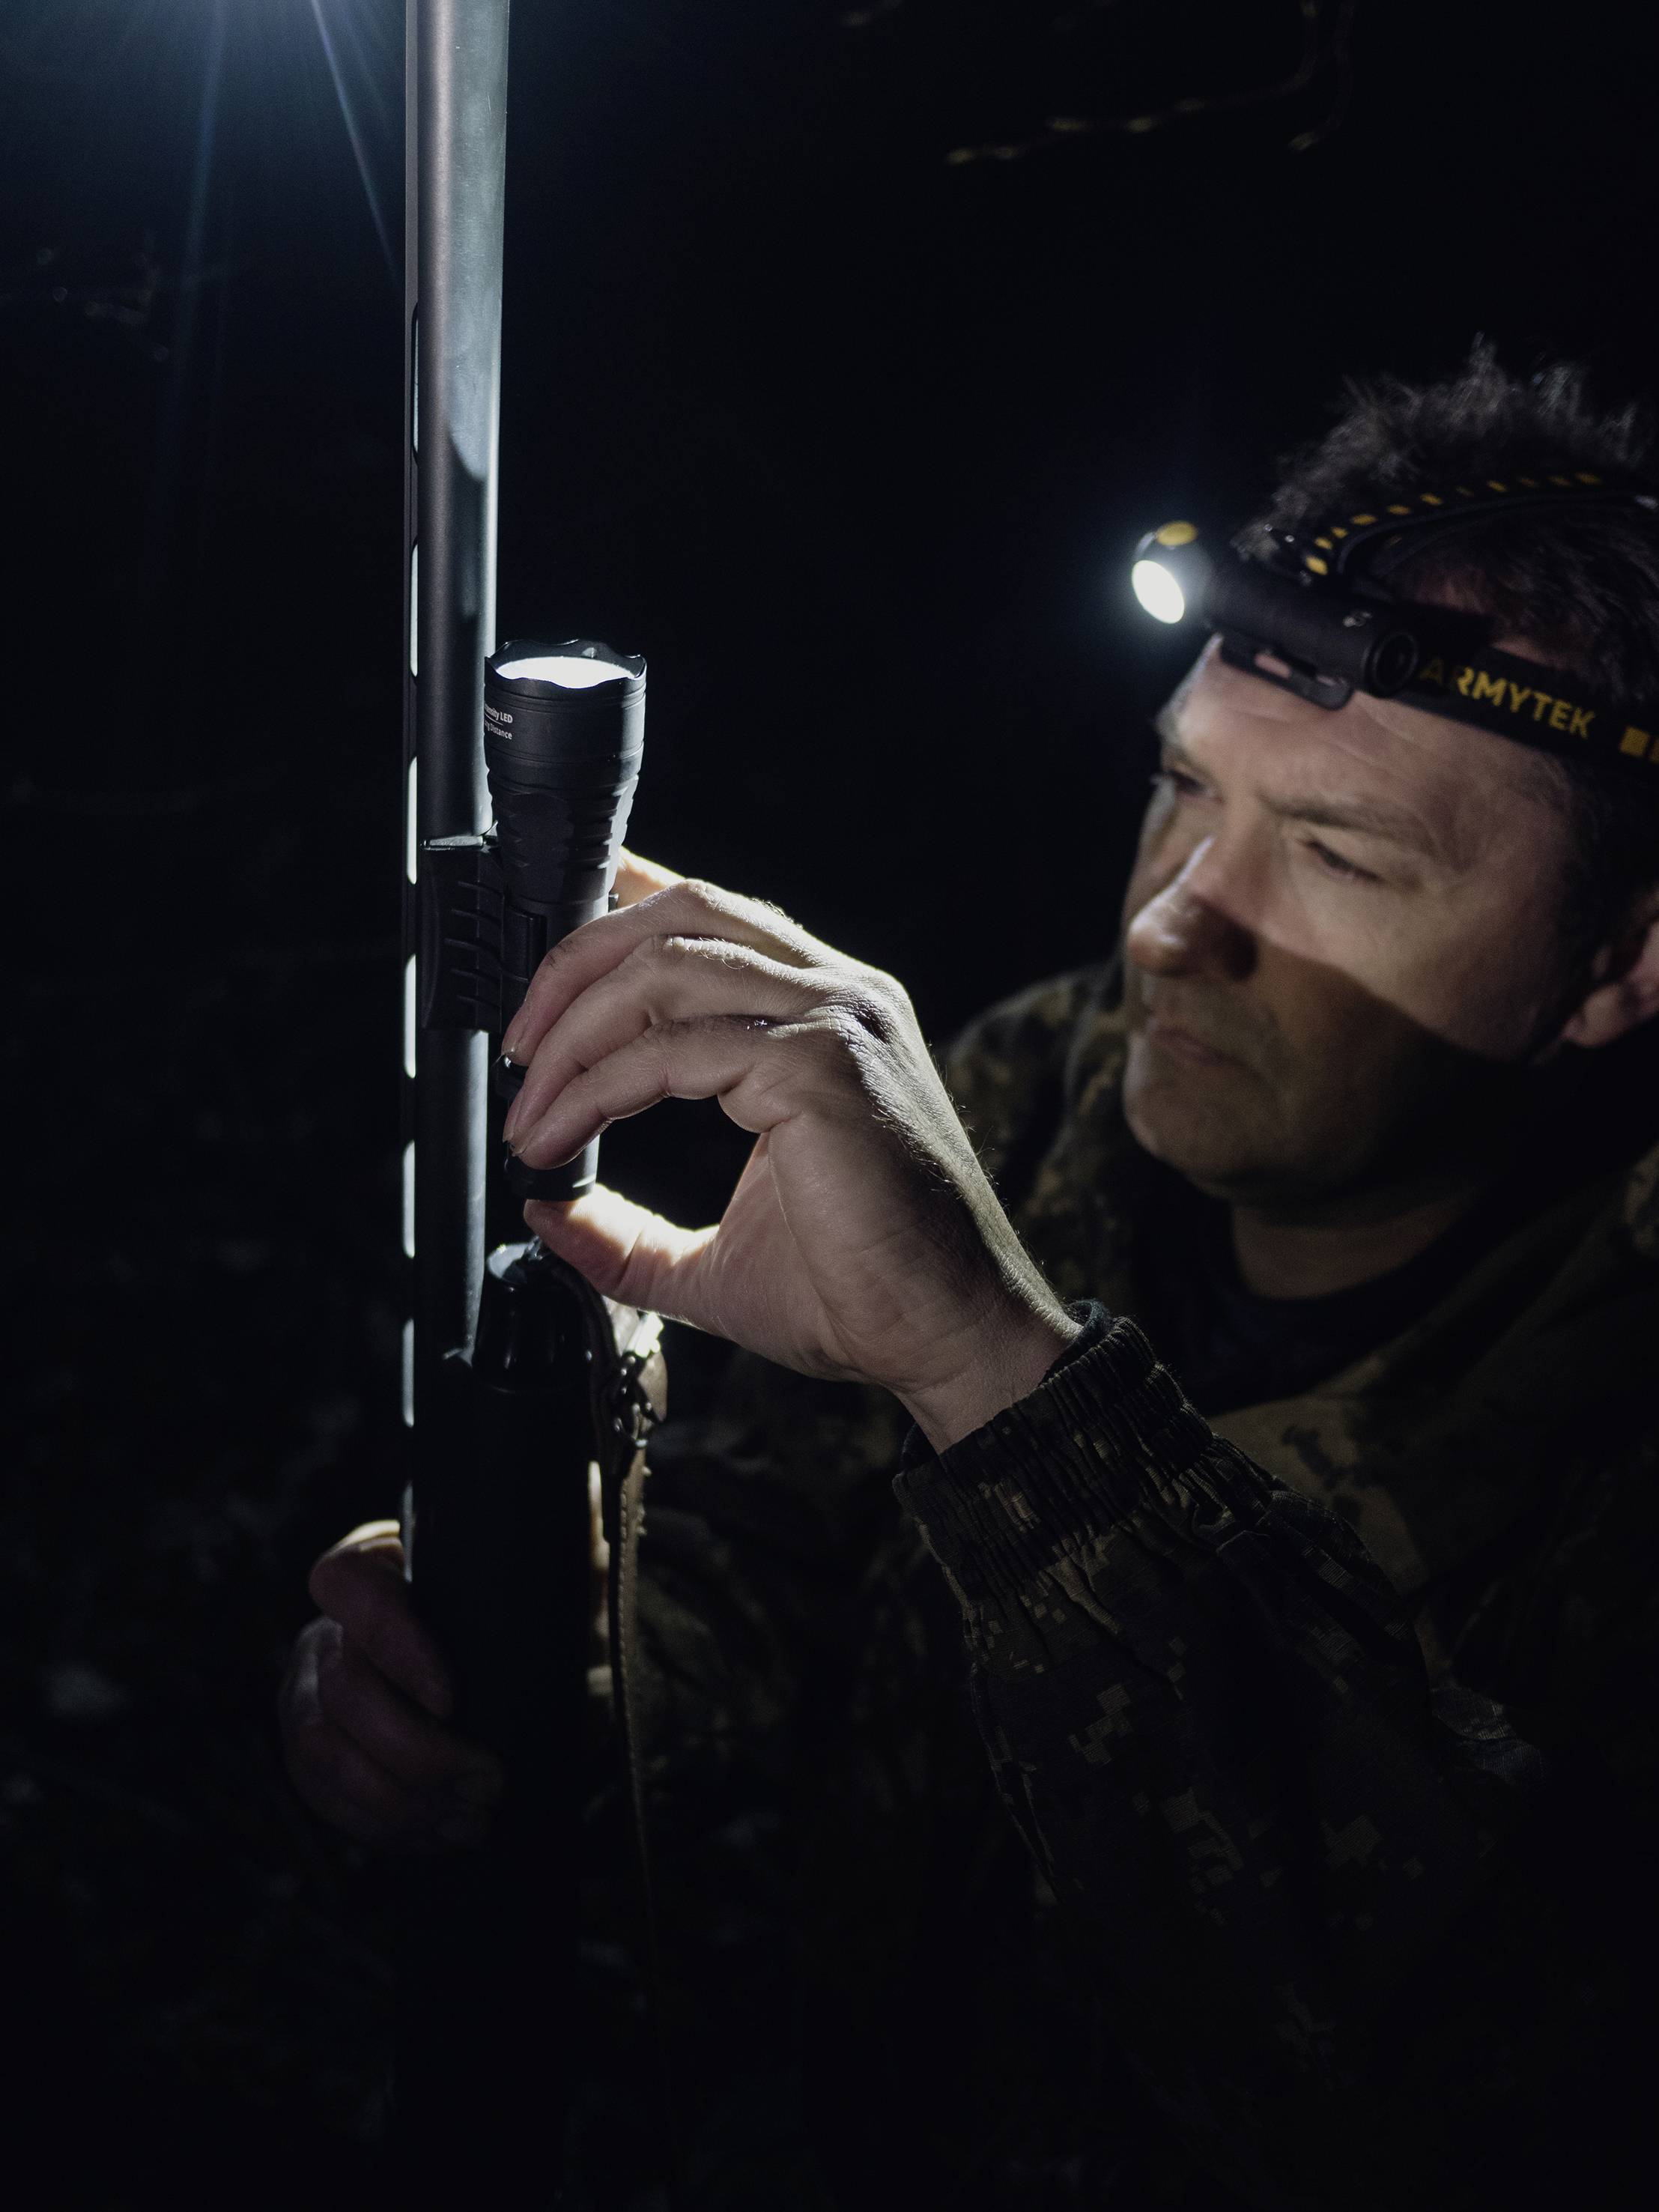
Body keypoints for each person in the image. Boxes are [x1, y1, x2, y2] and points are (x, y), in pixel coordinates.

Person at [282, 348, 1659, 2207]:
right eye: (1184, 786)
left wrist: (996, 1368)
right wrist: (528, 1669)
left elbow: (1484, 2059)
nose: (1176, 920)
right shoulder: (1025, 1097)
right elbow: (760, 1582)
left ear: (1619, 962)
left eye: (1336, 853)